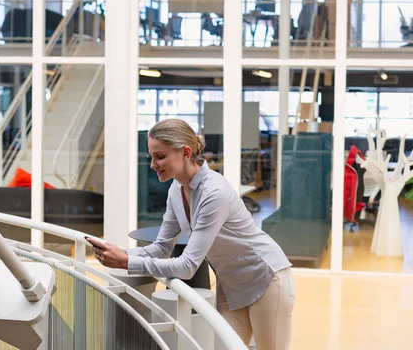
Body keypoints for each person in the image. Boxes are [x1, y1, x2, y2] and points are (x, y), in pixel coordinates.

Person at [87, 118, 295, 349]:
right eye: (152, 156)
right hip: (231, 285)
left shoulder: (214, 192)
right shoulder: (176, 191)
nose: (153, 164)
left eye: (160, 156)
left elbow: (187, 267)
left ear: (185, 152)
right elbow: (160, 249)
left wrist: (127, 263)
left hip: (265, 278)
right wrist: (121, 253)